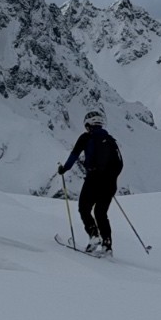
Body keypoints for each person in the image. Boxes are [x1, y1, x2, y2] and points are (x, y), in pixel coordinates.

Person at [59, 109, 123, 254]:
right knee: (101, 213)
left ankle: (94, 236)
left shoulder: (86, 137)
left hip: (94, 180)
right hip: (110, 183)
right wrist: (110, 178)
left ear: (88, 124)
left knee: (84, 208)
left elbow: (74, 155)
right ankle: (107, 244)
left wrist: (64, 169)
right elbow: (119, 163)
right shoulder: (111, 140)